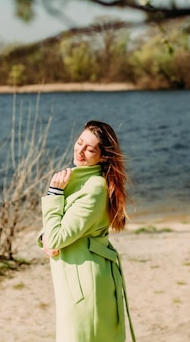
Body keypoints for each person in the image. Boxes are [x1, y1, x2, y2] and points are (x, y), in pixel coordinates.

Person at [38, 120, 135, 342]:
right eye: (79, 142)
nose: (80, 151)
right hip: (77, 278)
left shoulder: (93, 188)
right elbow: (58, 230)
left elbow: (57, 235)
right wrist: (44, 238)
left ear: (103, 156)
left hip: (85, 284)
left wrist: (54, 193)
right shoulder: (82, 180)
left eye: (90, 149)